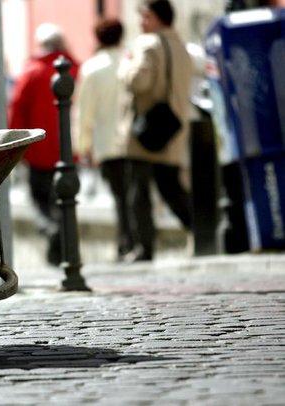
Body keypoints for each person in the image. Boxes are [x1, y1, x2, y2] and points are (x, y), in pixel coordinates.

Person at [117, 0, 193, 262]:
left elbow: (139, 82)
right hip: (173, 128)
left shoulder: (147, 44)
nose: (141, 22)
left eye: (146, 16)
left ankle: (144, 247)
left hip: (146, 130)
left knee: (138, 192)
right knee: (172, 188)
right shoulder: (182, 47)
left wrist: (126, 65)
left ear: (159, 17)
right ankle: (201, 229)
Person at [8, 23, 80, 265]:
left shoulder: (33, 71)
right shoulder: (76, 68)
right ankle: (64, 249)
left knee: (40, 202)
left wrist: (15, 143)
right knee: (65, 200)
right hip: (69, 148)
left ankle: (51, 232)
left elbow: (17, 108)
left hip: (38, 149)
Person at [73, 18, 131, 262]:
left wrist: (83, 146)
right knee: (134, 194)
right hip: (134, 140)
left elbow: (84, 112)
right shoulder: (130, 61)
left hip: (107, 143)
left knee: (119, 195)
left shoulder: (92, 69)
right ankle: (134, 241)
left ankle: (125, 243)